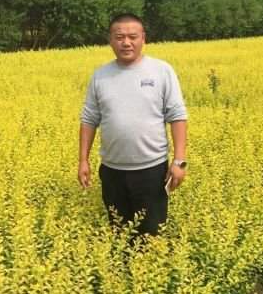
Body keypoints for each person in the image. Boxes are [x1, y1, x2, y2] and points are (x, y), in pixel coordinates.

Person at [78, 13, 188, 241]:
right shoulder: (100, 76)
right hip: (112, 172)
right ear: (110, 40)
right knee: (119, 233)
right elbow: (89, 119)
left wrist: (179, 161)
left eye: (132, 37)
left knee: (151, 234)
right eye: (119, 37)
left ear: (143, 39)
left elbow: (177, 116)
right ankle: (124, 275)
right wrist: (83, 160)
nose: (126, 42)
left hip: (152, 171)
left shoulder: (161, 71)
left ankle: (147, 275)